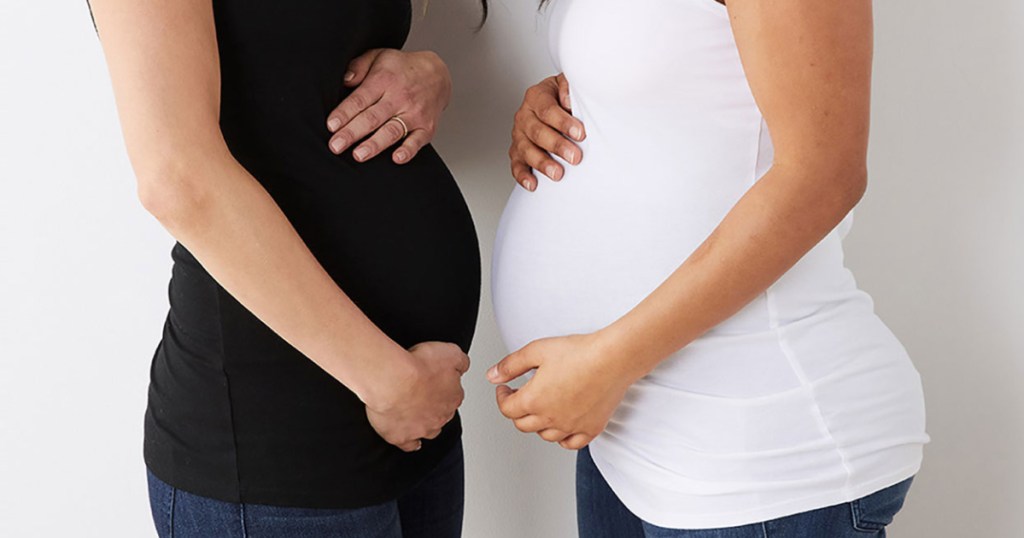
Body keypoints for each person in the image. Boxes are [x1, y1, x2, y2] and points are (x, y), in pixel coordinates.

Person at [490, 0, 929, 536]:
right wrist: (567, 94)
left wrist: (608, 364)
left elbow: (824, 177)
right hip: (630, 438)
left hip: (755, 451)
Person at [88, 0, 485, 536]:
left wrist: (427, 72)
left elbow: (300, 73)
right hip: (277, 448)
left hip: (419, 416)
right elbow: (178, 178)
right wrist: (389, 382)